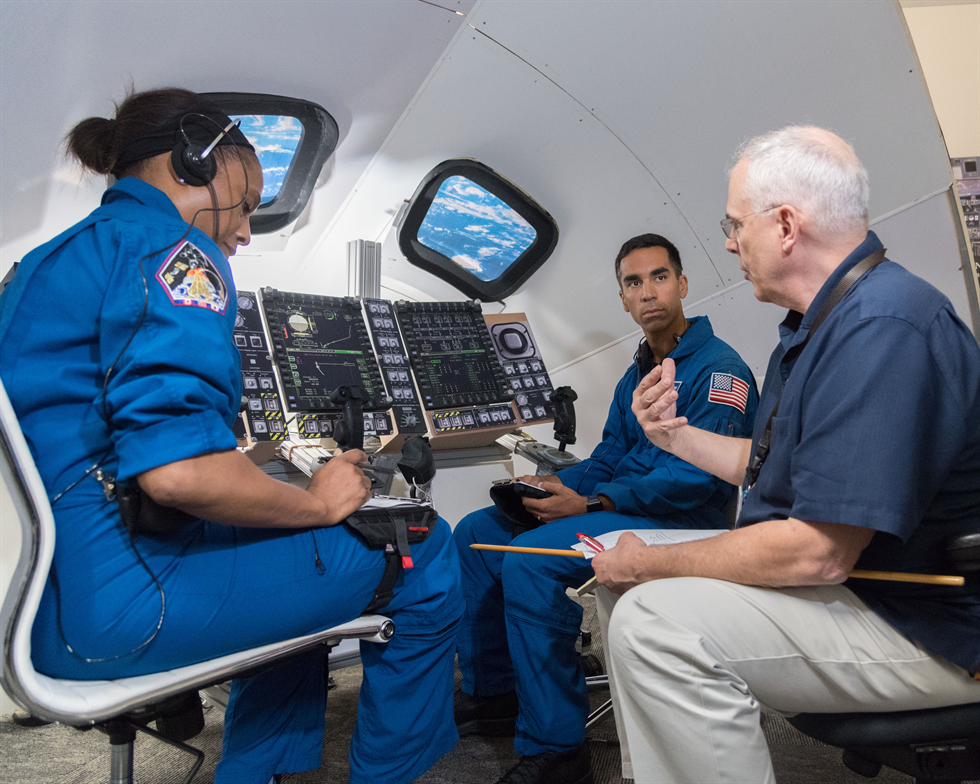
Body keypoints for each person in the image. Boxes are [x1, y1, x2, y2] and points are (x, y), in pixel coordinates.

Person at [0, 88, 463, 784]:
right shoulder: (176, 254)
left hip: (60, 605)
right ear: (195, 159)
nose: (244, 232)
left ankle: (261, 772)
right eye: (245, 205)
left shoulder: (45, 262)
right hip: (134, 603)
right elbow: (180, 476)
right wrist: (322, 501)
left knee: (280, 543)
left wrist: (266, 486)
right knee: (427, 548)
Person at [593, 126, 980, 783]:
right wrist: (673, 436)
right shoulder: (819, 326)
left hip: (933, 625)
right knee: (623, 577)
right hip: (872, 590)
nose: (727, 241)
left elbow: (818, 551)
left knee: (656, 620)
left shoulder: (883, 327)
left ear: (786, 225)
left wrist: (654, 563)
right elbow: (776, 465)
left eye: (734, 223)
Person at [453, 234, 758, 784]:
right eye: (633, 282)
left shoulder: (719, 372)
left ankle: (557, 747)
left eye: (659, 277)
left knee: (528, 558)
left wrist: (590, 501)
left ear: (683, 285)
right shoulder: (637, 372)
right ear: (622, 297)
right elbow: (611, 455)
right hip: (624, 506)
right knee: (475, 531)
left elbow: (692, 481)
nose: (648, 292)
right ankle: (494, 693)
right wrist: (556, 484)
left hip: (682, 520)